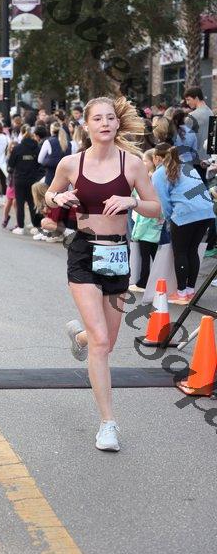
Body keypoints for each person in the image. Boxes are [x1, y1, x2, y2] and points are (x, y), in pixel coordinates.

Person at [45, 96, 160, 452]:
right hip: (83, 253)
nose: (105, 123)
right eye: (98, 118)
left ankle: (78, 337)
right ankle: (108, 423)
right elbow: (49, 195)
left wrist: (132, 201)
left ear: (117, 123)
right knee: (101, 341)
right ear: (87, 125)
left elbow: (156, 208)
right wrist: (57, 199)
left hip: (117, 255)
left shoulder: (132, 164)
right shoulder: (71, 163)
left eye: (110, 117)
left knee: (105, 343)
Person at [152, 144, 215, 305]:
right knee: (192, 251)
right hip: (206, 211)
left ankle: (181, 293)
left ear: (157, 158)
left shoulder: (159, 173)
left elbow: (164, 201)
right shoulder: (188, 168)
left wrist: (169, 219)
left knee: (180, 253)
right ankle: (190, 291)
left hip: (184, 213)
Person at [129, 150, 163, 292]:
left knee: (145, 259)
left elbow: (143, 218)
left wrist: (136, 235)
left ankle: (143, 283)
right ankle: (159, 281)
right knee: (155, 258)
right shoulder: (156, 181)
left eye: (145, 160)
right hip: (156, 231)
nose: (143, 163)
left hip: (145, 233)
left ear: (153, 161)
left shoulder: (150, 184)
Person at [8, 124, 42, 235]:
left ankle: (21, 227)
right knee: (33, 203)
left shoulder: (17, 148)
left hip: (19, 179)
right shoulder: (37, 148)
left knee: (20, 203)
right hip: (33, 179)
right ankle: (35, 225)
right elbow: (40, 164)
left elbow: (10, 165)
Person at [184, 86, 214, 183]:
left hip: (196, 162)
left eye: (188, 99)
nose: (187, 103)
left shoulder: (191, 117)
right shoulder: (211, 113)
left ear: (196, 98)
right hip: (210, 160)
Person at [38, 121, 72, 185]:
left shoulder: (48, 142)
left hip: (51, 177)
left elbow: (40, 160)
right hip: (65, 178)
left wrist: (47, 161)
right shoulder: (69, 143)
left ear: (51, 130)